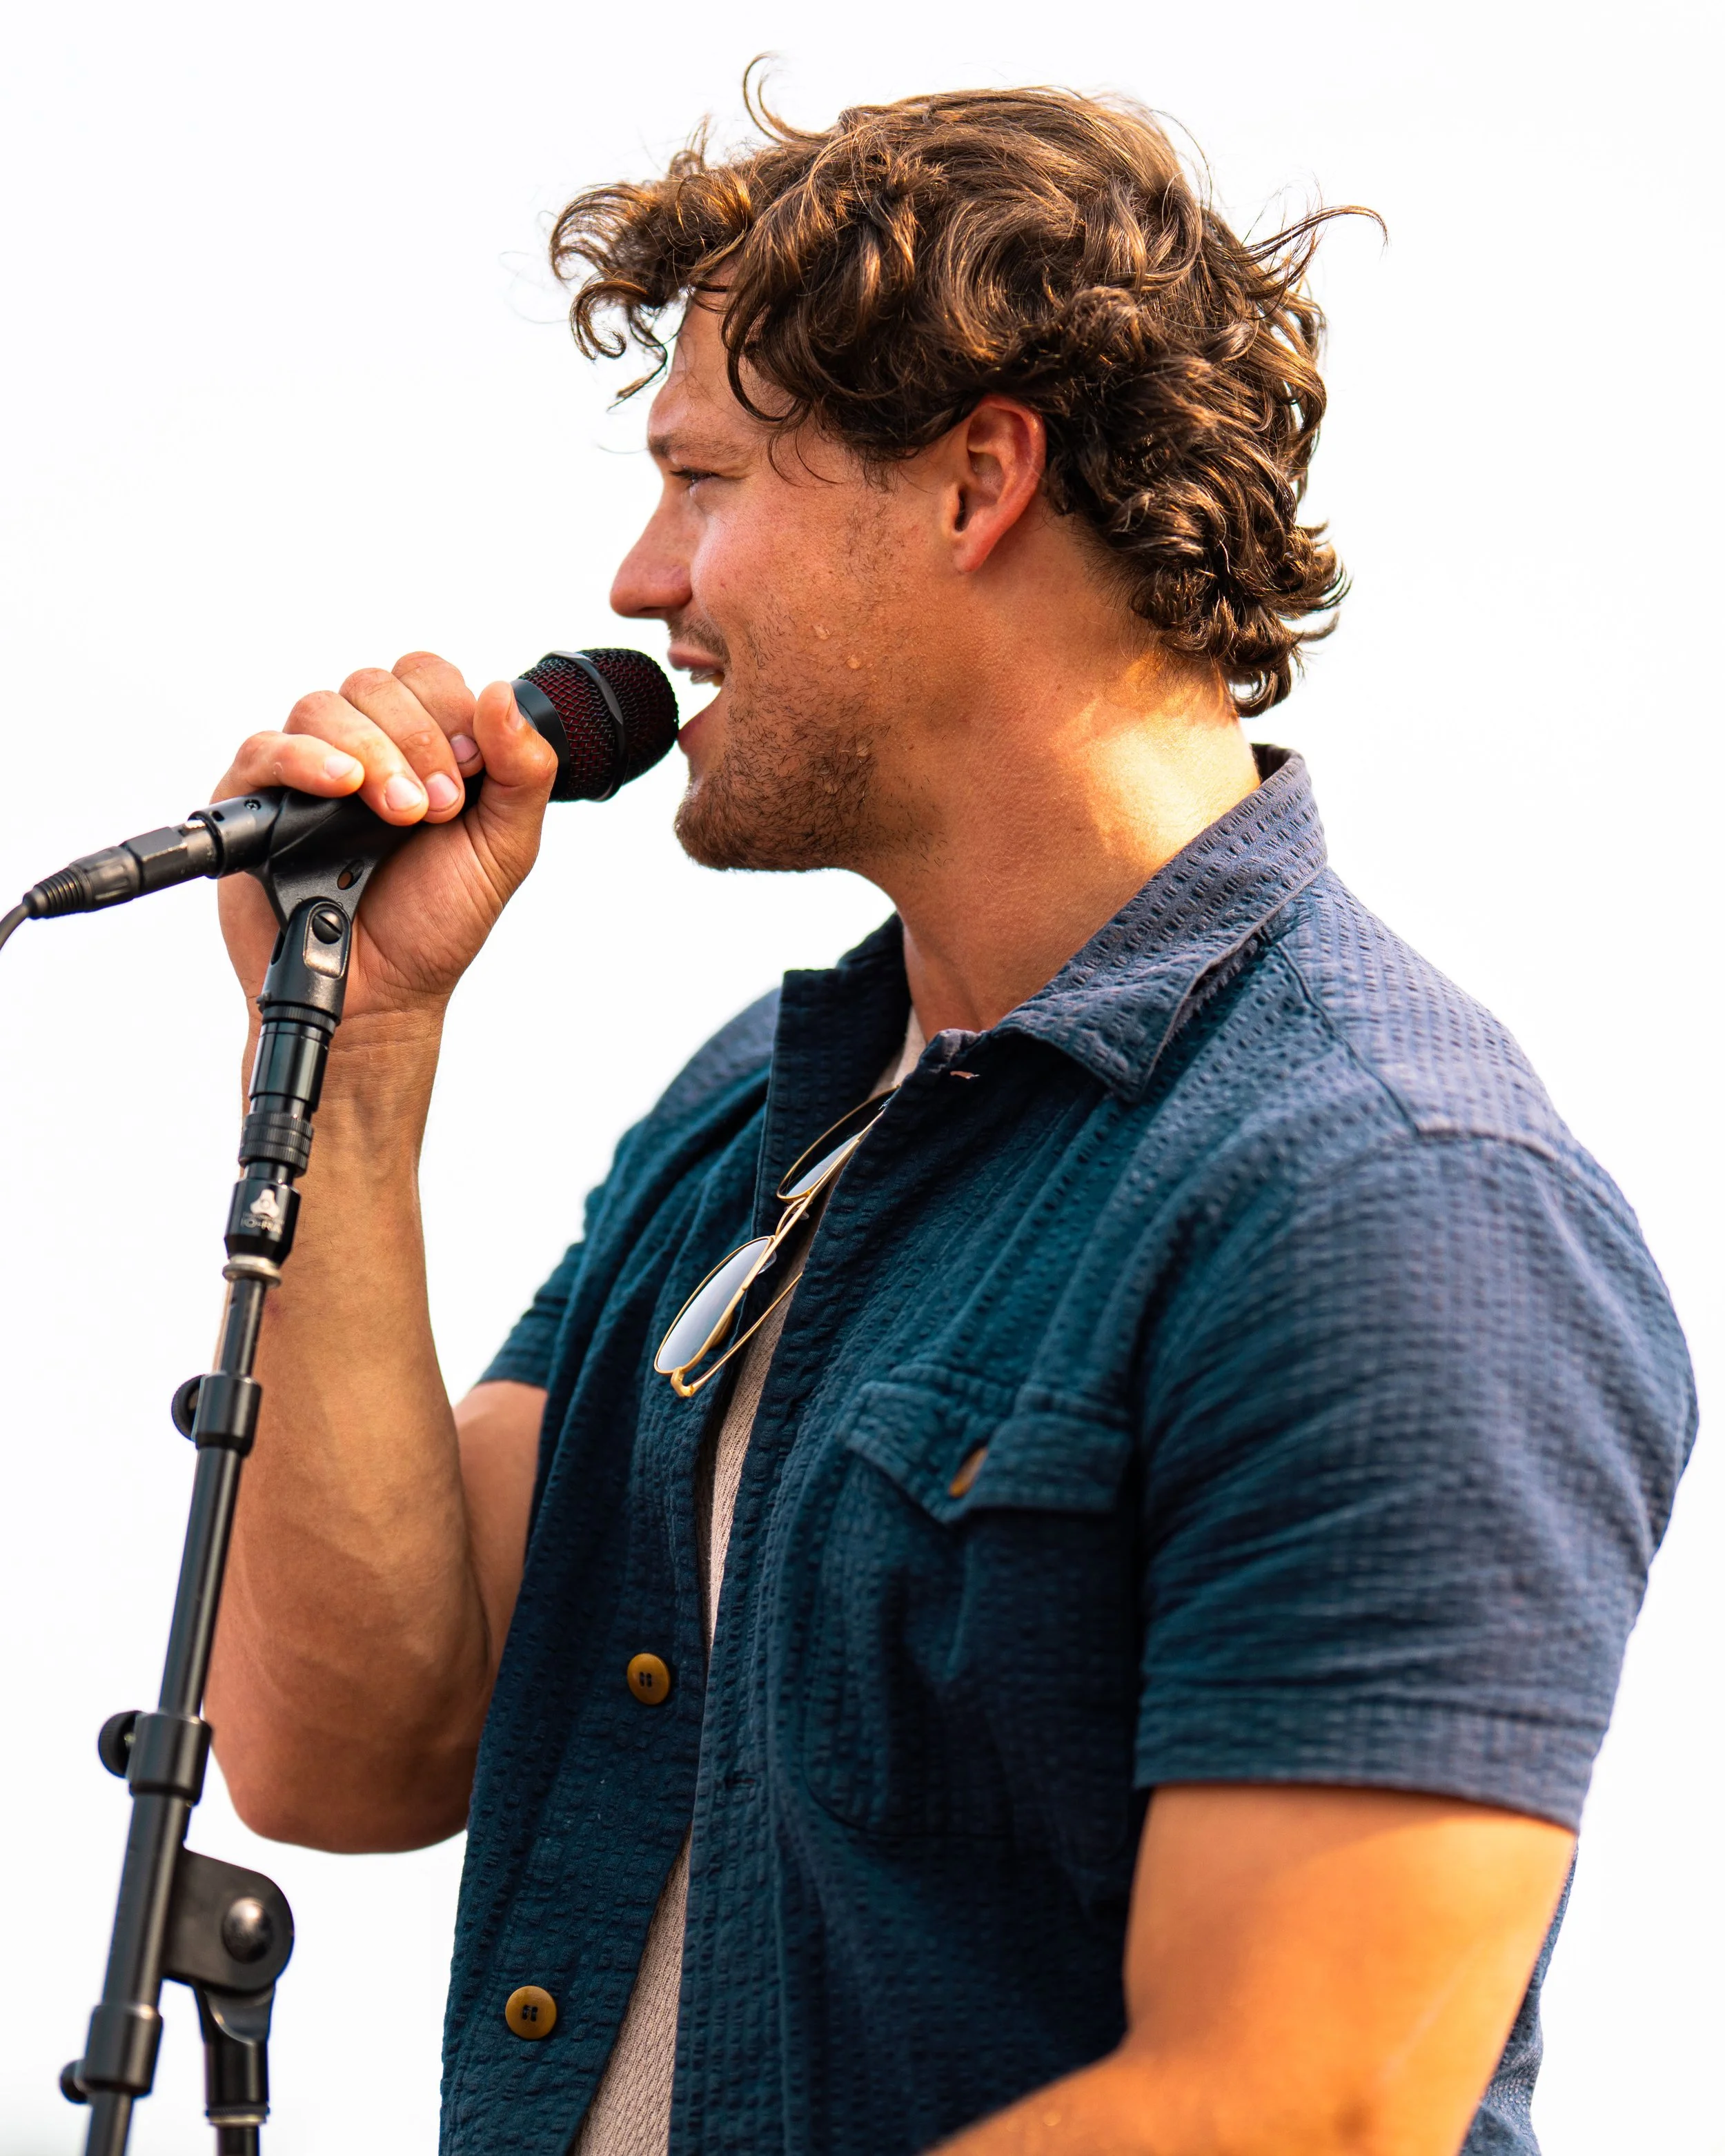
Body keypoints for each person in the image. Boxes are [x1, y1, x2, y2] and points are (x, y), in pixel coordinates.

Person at [202, 83, 1695, 2156]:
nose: (641, 579)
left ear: (979, 476)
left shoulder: (1389, 1196)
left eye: (703, 480)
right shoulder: (760, 1108)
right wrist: (353, 1060)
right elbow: (352, 1745)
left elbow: (1294, 2108)